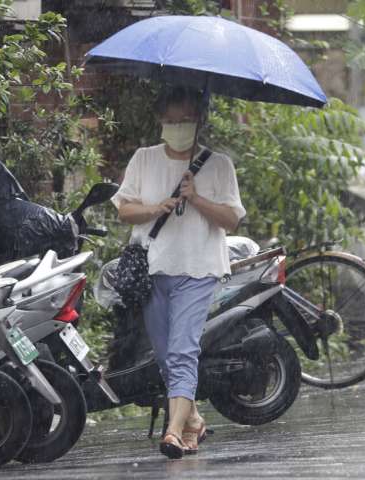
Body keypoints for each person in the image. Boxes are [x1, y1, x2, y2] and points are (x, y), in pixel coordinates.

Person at [111, 86, 247, 459]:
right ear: (159, 121)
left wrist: (196, 197)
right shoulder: (144, 159)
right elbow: (124, 209)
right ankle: (194, 421)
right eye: (170, 121)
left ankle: (171, 432)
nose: (177, 127)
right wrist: (157, 208)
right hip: (154, 269)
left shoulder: (218, 165)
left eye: (184, 120)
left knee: (183, 349)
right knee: (165, 354)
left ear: (199, 121)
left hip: (199, 269)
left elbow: (232, 220)